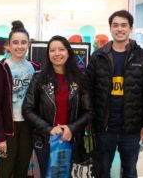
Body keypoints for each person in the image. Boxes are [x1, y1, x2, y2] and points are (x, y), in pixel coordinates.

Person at [86, 10, 143, 178]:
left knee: (130, 171)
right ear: (111, 28)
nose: (120, 29)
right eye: (115, 25)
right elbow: (88, 91)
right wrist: (90, 120)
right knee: (102, 171)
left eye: (124, 25)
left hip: (131, 128)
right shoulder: (98, 57)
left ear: (131, 28)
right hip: (104, 127)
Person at [22, 35, 92, 178]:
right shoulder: (38, 78)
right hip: (45, 140)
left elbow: (89, 111)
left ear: (68, 52)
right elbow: (27, 109)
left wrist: (71, 128)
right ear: (48, 54)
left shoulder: (80, 79)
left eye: (61, 49)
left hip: (71, 140)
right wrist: (49, 129)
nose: (57, 53)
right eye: (52, 50)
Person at [0, 20, 39, 178]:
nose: (19, 46)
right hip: (7, 129)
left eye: (23, 42)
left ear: (28, 44)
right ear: (8, 45)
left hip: (28, 128)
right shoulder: (0, 68)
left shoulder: (35, 68)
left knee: (22, 170)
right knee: (4, 171)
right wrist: (0, 137)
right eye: (15, 42)